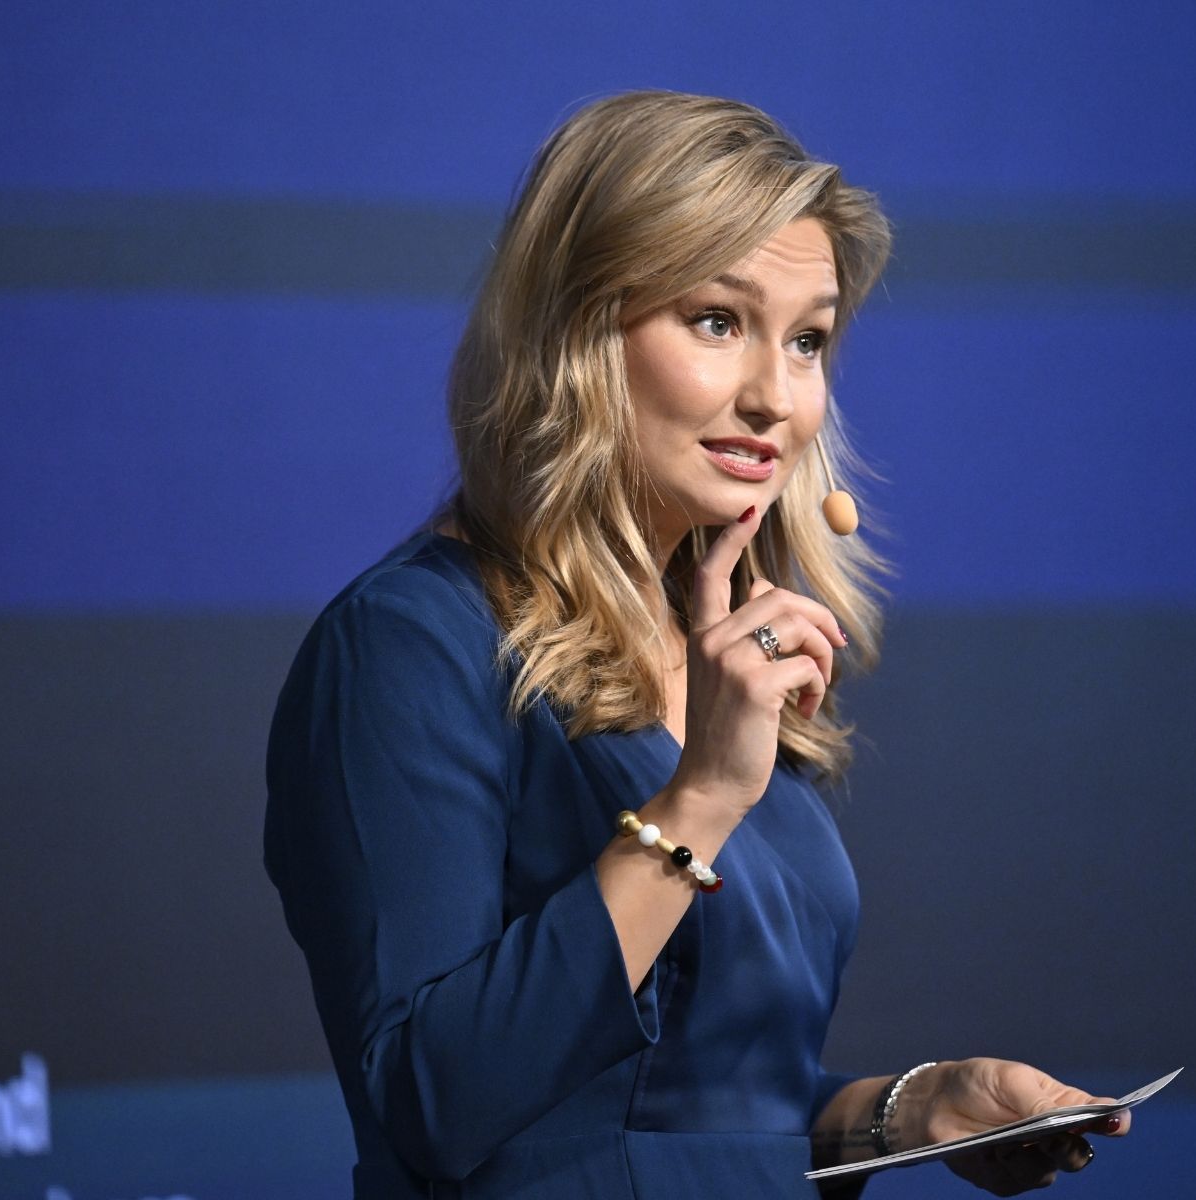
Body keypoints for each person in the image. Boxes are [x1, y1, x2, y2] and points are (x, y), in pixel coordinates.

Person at [264, 90, 1129, 1199]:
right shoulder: (408, 644)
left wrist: (902, 1114)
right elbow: (432, 1104)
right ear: (575, 328)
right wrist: (700, 799)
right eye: (718, 321)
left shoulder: (716, 649)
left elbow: (691, 1111)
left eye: (808, 340)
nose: (775, 397)